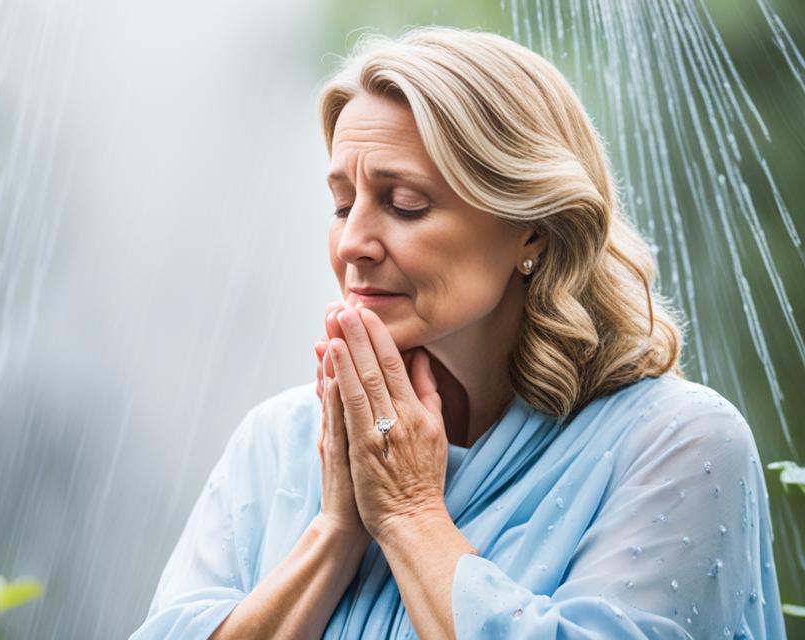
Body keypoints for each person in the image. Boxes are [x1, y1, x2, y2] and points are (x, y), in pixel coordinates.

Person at [130, 26, 786, 639]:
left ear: (533, 227)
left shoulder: (678, 445)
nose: (352, 241)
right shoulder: (280, 440)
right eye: (340, 203)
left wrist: (410, 516)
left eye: (403, 203)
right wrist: (334, 532)